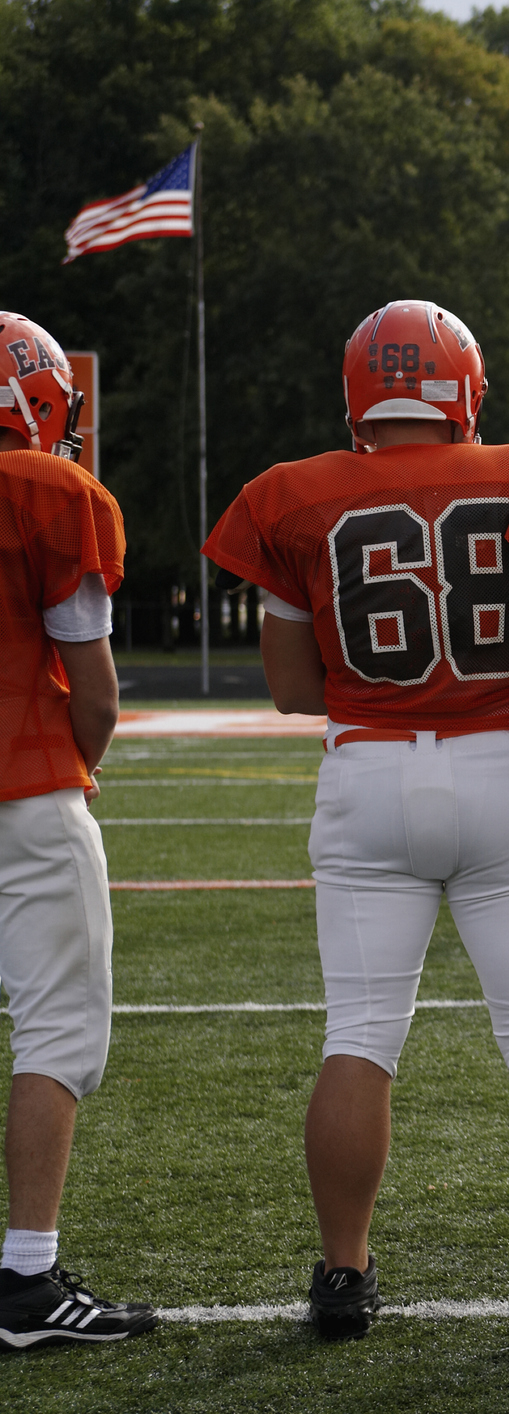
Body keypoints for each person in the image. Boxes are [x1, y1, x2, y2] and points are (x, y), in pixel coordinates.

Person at [203, 301, 509, 1340]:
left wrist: (386, 692)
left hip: (365, 772)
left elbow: (286, 687)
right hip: (503, 762)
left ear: (358, 389)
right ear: (467, 385)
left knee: (360, 1034)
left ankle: (344, 1278)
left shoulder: (291, 495)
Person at [0, 314, 156, 1348]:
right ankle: (27, 1277)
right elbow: (91, 690)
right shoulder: (50, 493)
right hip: (23, 787)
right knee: (56, 1027)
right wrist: (79, 763)